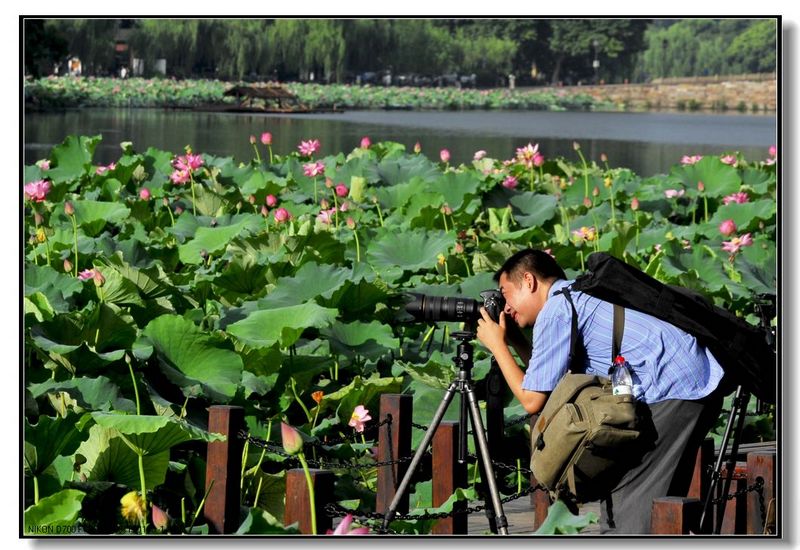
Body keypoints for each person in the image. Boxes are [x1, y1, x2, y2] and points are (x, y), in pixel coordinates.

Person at [475, 248, 727, 534]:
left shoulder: (556, 309)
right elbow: (547, 379)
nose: (504, 307)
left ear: (530, 281)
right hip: (689, 379)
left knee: (636, 495)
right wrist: (513, 341)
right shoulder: (573, 294)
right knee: (646, 492)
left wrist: (497, 346)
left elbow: (532, 400)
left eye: (505, 294)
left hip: (674, 387)